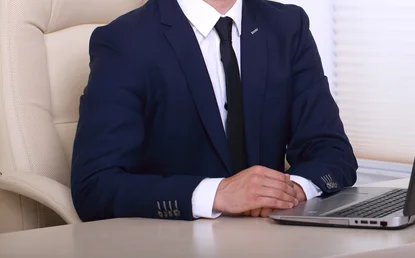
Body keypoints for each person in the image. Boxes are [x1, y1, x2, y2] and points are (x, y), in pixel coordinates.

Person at [70, 0, 357, 221]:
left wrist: (290, 189)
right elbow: (95, 185)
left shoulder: (288, 26)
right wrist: (215, 194)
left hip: (271, 237)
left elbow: (331, 151)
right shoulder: (126, 41)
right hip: (175, 242)